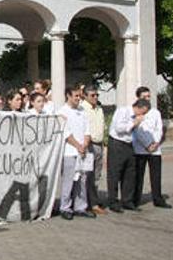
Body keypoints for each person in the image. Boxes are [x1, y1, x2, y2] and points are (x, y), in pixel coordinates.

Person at [57, 85, 95, 220]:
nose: (78, 99)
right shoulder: (62, 111)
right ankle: (65, 207)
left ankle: (80, 206)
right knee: (69, 180)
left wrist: (85, 144)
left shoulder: (82, 111)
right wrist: (77, 145)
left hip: (83, 151)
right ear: (68, 96)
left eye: (80, 96)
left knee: (83, 180)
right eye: (76, 96)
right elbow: (66, 133)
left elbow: (87, 129)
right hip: (70, 151)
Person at [108, 98, 149, 212]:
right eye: (143, 112)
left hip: (129, 144)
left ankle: (127, 200)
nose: (143, 115)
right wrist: (134, 123)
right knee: (115, 173)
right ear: (139, 108)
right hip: (117, 143)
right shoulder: (123, 111)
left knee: (130, 173)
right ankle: (113, 201)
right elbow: (119, 128)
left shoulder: (136, 117)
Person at [133, 87, 171, 209]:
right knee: (138, 175)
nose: (147, 99)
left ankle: (158, 198)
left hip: (155, 149)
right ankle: (135, 199)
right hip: (140, 148)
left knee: (156, 175)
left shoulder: (155, 112)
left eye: (149, 96)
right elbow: (138, 131)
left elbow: (159, 129)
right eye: (144, 97)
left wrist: (155, 143)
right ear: (138, 98)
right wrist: (147, 144)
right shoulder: (136, 112)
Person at [81, 86, 108, 215]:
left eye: (97, 95)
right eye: (92, 95)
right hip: (89, 144)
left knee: (97, 175)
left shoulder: (99, 109)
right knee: (88, 175)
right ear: (85, 96)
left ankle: (94, 199)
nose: (95, 97)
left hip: (99, 143)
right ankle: (88, 202)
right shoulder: (82, 109)